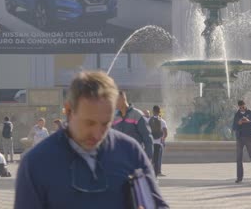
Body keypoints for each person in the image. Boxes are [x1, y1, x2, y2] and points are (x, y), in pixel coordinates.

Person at [14, 71, 168, 208]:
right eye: (89, 123)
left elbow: (157, 204)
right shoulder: (36, 163)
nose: (97, 133)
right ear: (68, 111)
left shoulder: (130, 152)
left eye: (105, 123)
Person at [113, 91, 153, 160]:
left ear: (123, 99)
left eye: (115, 101)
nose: (114, 103)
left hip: (135, 157)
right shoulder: (115, 117)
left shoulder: (137, 114)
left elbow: (147, 136)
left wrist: (148, 157)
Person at [232, 100, 251, 183]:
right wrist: (239, 123)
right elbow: (234, 127)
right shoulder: (237, 114)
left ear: (245, 105)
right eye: (240, 108)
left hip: (248, 137)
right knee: (239, 158)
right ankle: (239, 178)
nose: (242, 109)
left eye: (243, 107)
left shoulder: (250, 113)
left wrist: (249, 121)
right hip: (239, 138)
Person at [149, 105, 168, 177]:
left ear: (153, 111)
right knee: (157, 159)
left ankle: (149, 172)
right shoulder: (162, 121)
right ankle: (156, 174)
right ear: (159, 111)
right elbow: (165, 133)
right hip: (158, 143)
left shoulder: (149, 120)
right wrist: (162, 139)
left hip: (150, 142)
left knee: (151, 158)